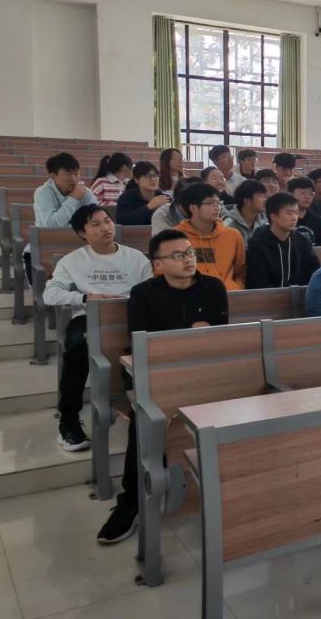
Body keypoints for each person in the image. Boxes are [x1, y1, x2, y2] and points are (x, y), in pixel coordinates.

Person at [95, 228, 228, 545]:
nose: (188, 259)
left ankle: (228, 490)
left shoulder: (213, 287)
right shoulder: (144, 294)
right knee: (144, 417)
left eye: (190, 253)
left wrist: (183, 335)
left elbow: (219, 337)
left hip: (207, 372)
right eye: (178, 255)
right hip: (154, 373)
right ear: (158, 264)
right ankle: (131, 502)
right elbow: (144, 344)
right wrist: (191, 331)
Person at [43, 205, 152, 451]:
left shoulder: (135, 258)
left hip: (130, 316)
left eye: (107, 221)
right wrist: (84, 298)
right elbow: (50, 294)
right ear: (83, 233)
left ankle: (139, 408)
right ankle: (69, 421)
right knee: (77, 347)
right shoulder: (73, 260)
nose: (105, 228)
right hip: (89, 318)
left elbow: (151, 290)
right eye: (96, 224)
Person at [175, 183, 247, 290]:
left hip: (227, 294)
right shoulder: (174, 237)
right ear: (193, 208)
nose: (217, 207)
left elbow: (241, 271)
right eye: (210, 203)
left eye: (218, 203)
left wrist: (237, 286)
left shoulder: (233, 235)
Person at [246, 192, 321, 289]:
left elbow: (314, 271)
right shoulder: (258, 243)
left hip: (301, 294)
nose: (294, 218)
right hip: (267, 296)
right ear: (273, 217)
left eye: (296, 212)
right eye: (289, 213)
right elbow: (257, 281)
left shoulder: (302, 241)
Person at [35, 152, 96, 227]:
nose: (74, 179)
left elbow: (95, 220)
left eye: (76, 174)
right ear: (53, 176)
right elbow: (51, 225)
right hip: (48, 235)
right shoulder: (42, 192)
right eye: (68, 174)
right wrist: (73, 198)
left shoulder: (85, 192)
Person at [288, 176, 321, 246]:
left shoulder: (318, 222)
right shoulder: (284, 220)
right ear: (291, 194)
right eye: (303, 193)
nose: (307, 197)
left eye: (311, 193)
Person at [223, 179, 268, 244]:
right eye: (261, 196)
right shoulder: (228, 223)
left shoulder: (266, 221)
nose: (265, 200)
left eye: (265, 197)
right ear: (247, 201)